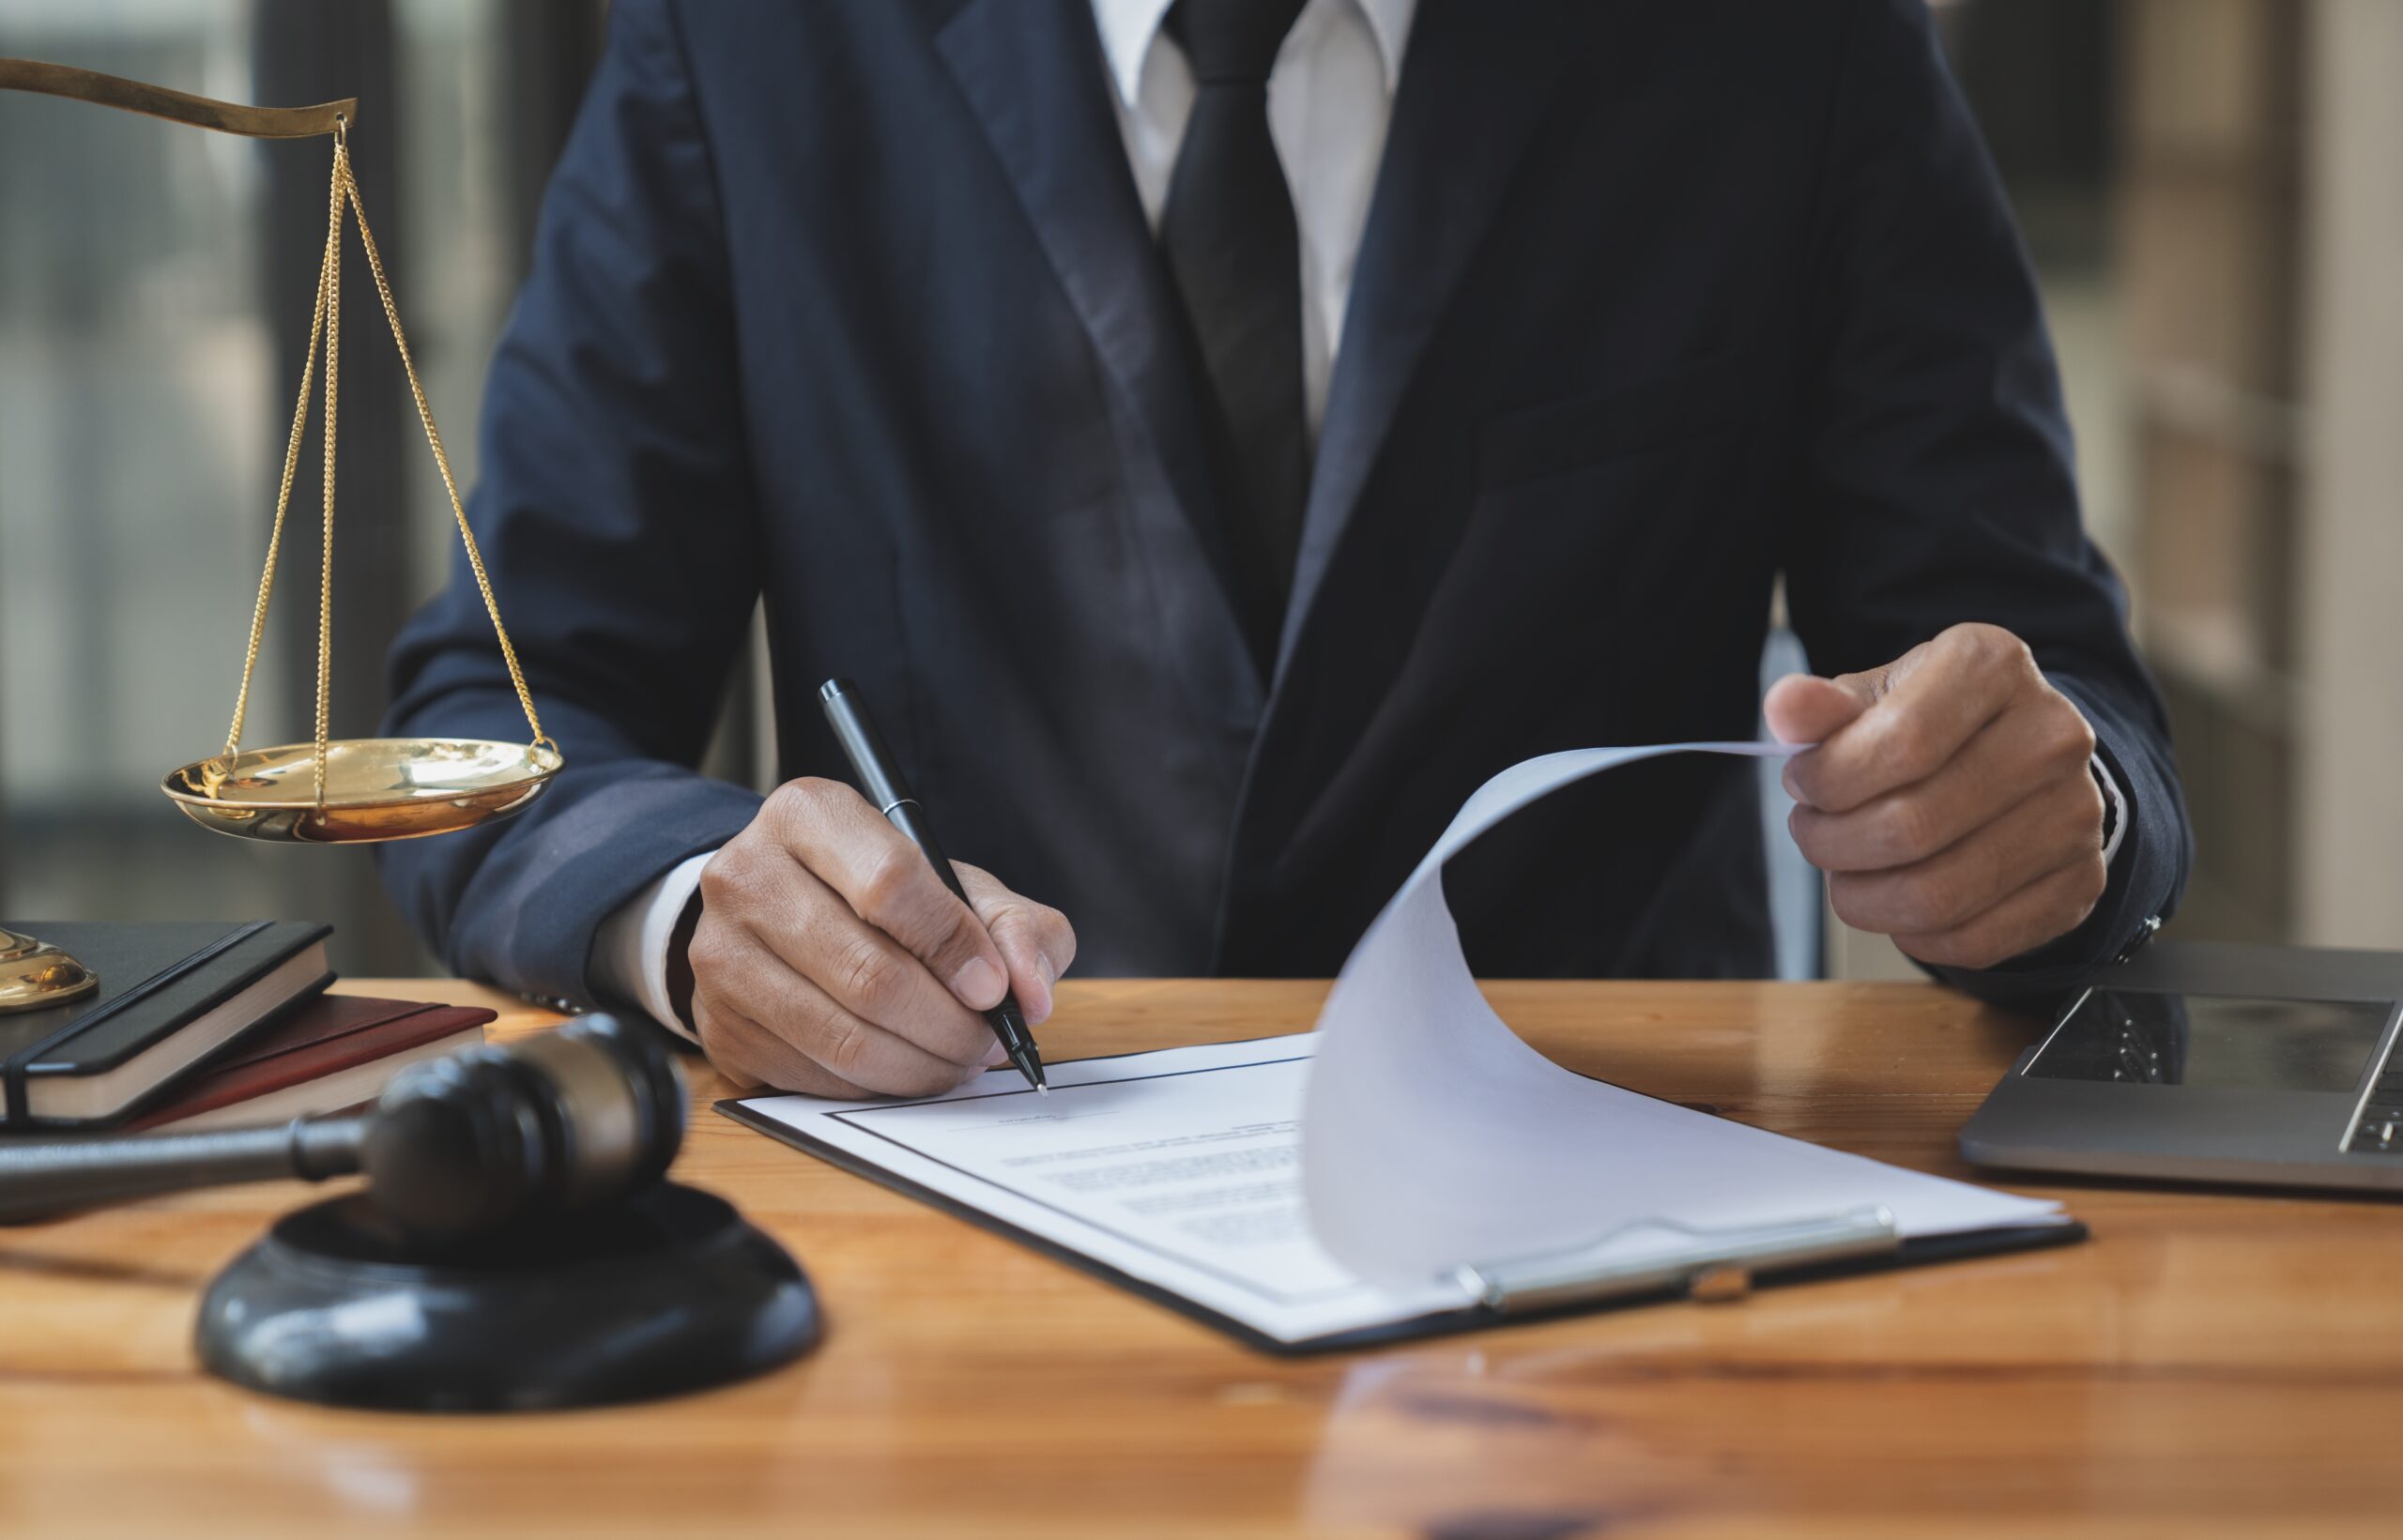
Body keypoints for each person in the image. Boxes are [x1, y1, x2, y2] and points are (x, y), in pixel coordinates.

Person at [382, 0, 2189, 1098]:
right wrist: (701, 909)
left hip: (1620, 1225)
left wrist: (2059, 815)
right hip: (978, 1242)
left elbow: (2057, 691)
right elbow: (492, 716)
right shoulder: (746, 39)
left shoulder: (1784, 39)